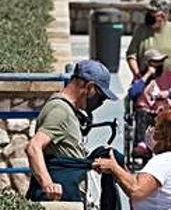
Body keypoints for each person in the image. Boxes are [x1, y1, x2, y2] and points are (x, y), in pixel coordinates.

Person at [25, 60, 117, 202]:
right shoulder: (60, 111)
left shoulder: (68, 110)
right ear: (89, 87)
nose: (100, 103)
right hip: (60, 198)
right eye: (100, 97)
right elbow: (33, 147)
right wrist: (48, 184)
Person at [128, 48, 171, 157]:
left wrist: (169, 93)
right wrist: (147, 75)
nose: (159, 64)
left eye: (161, 61)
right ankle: (142, 144)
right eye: (155, 61)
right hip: (146, 114)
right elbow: (133, 93)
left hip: (166, 113)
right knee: (141, 114)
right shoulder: (141, 78)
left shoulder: (170, 76)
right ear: (147, 63)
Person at [127, 0, 171, 82]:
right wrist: (136, 73)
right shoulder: (141, 30)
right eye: (149, 13)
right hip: (145, 78)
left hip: (169, 80)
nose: (149, 17)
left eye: (153, 14)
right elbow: (131, 55)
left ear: (163, 16)